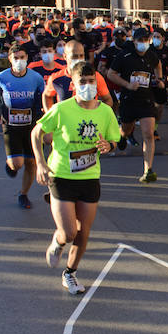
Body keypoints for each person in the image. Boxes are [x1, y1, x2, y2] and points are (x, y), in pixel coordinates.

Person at [32, 61, 120, 295]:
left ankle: (70, 273)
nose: (88, 86)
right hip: (61, 175)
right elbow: (36, 132)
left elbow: (114, 140)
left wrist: (108, 145)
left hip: (90, 177)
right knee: (69, 232)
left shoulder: (105, 111)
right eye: (83, 82)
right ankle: (58, 242)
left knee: (83, 232)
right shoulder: (62, 109)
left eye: (92, 82)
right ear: (74, 84)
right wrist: (40, 163)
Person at [0, 45, 47, 209]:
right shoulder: (2, 76)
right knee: (17, 164)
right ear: (9, 59)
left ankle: (23, 194)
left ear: (27, 58)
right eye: (16, 58)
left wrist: (46, 118)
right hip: (11, 125)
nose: (19, 61)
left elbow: (45, 97)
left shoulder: (36, 78)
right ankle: (11, 163)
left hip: (31, 125)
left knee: (31, 163)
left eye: (22, 57)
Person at [106, 27, 164, 182]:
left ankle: (148, 170)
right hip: (129, 99)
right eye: (140, 40)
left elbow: (158, 65)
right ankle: (123, 136)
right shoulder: (124, 55)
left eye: (146, 40)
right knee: (126, 129)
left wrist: (160, 79)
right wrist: (127, 84)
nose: (143, 43)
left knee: (148, 133)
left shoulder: (151, 55)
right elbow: (110, 74)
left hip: (146, 99)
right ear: (134, 41)